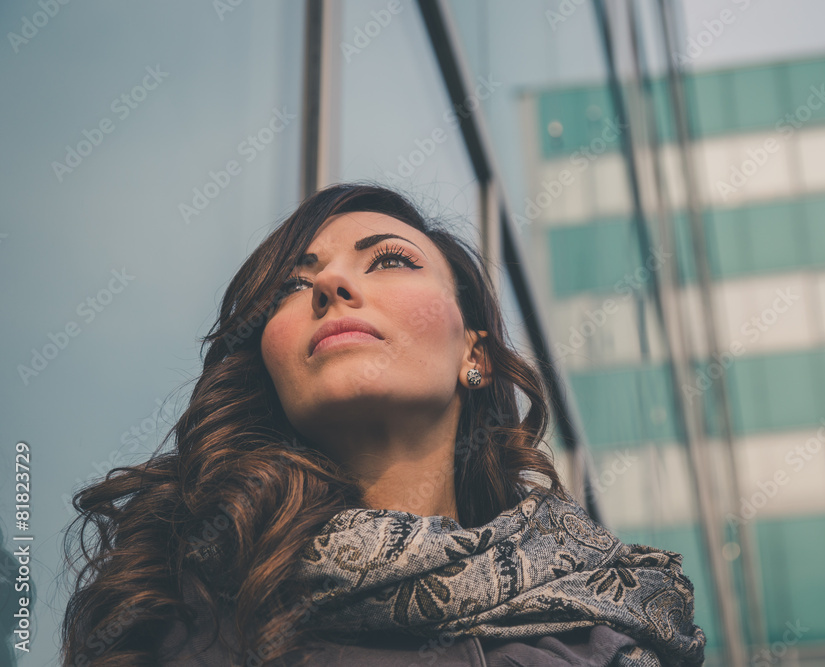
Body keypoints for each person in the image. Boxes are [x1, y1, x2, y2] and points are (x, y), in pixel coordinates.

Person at [60, 183, 706, 666]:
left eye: (390, 260)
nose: (332, 282)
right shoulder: (168, 607)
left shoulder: (602, 628)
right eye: (293, 283)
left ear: (473, 354)